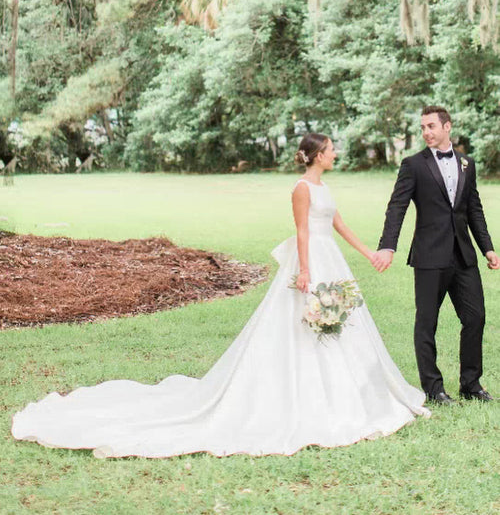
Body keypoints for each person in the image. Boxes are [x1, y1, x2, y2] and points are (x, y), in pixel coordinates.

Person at [11, 133, 428, 459]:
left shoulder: (325, 189)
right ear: (316, 155)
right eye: (331, 150)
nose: (335, 154)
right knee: (308, 324)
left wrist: (369, 252)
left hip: (331, 257)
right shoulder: (301, 189)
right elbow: (303, 231)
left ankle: (347, 394)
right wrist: (304, 270)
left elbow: (339, 225)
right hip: (312, 261)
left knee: (341, 325)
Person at [374, 106, 499, 405]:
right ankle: (434, 389)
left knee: (476, 317)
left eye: (431, 126)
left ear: (447, 127)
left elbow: (474, 209)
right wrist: (387, 246)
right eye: (423, 127)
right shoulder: (413, 164)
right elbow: (397, 206)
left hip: (464, 256)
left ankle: (471, 384)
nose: (426, 132)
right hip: (429, 257)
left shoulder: (467, 163)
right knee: (426, 322)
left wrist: (488, 248)